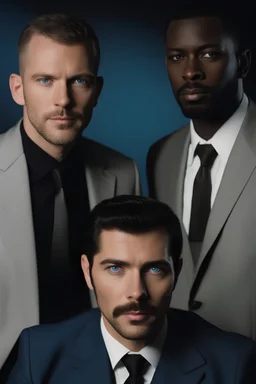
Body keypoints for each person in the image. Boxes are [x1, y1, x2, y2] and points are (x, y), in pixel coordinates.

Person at [0, 13, 140, 378]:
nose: (62, 99)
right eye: (44, 80)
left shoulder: (122, 172)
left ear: (97, 90)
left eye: (78, 80)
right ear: (18, 89)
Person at [6, 195, 256, 383]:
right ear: (87, 271)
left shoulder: (234, 364)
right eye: (115, 268)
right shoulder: (38, 355)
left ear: (176, 272)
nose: (137, 292)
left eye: (154, 269)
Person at [147, 4, 256, 339]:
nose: (190, 72)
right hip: (178, 356)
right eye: (176, 57)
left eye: (209, 55)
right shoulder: (160, 156)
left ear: (244, 63)